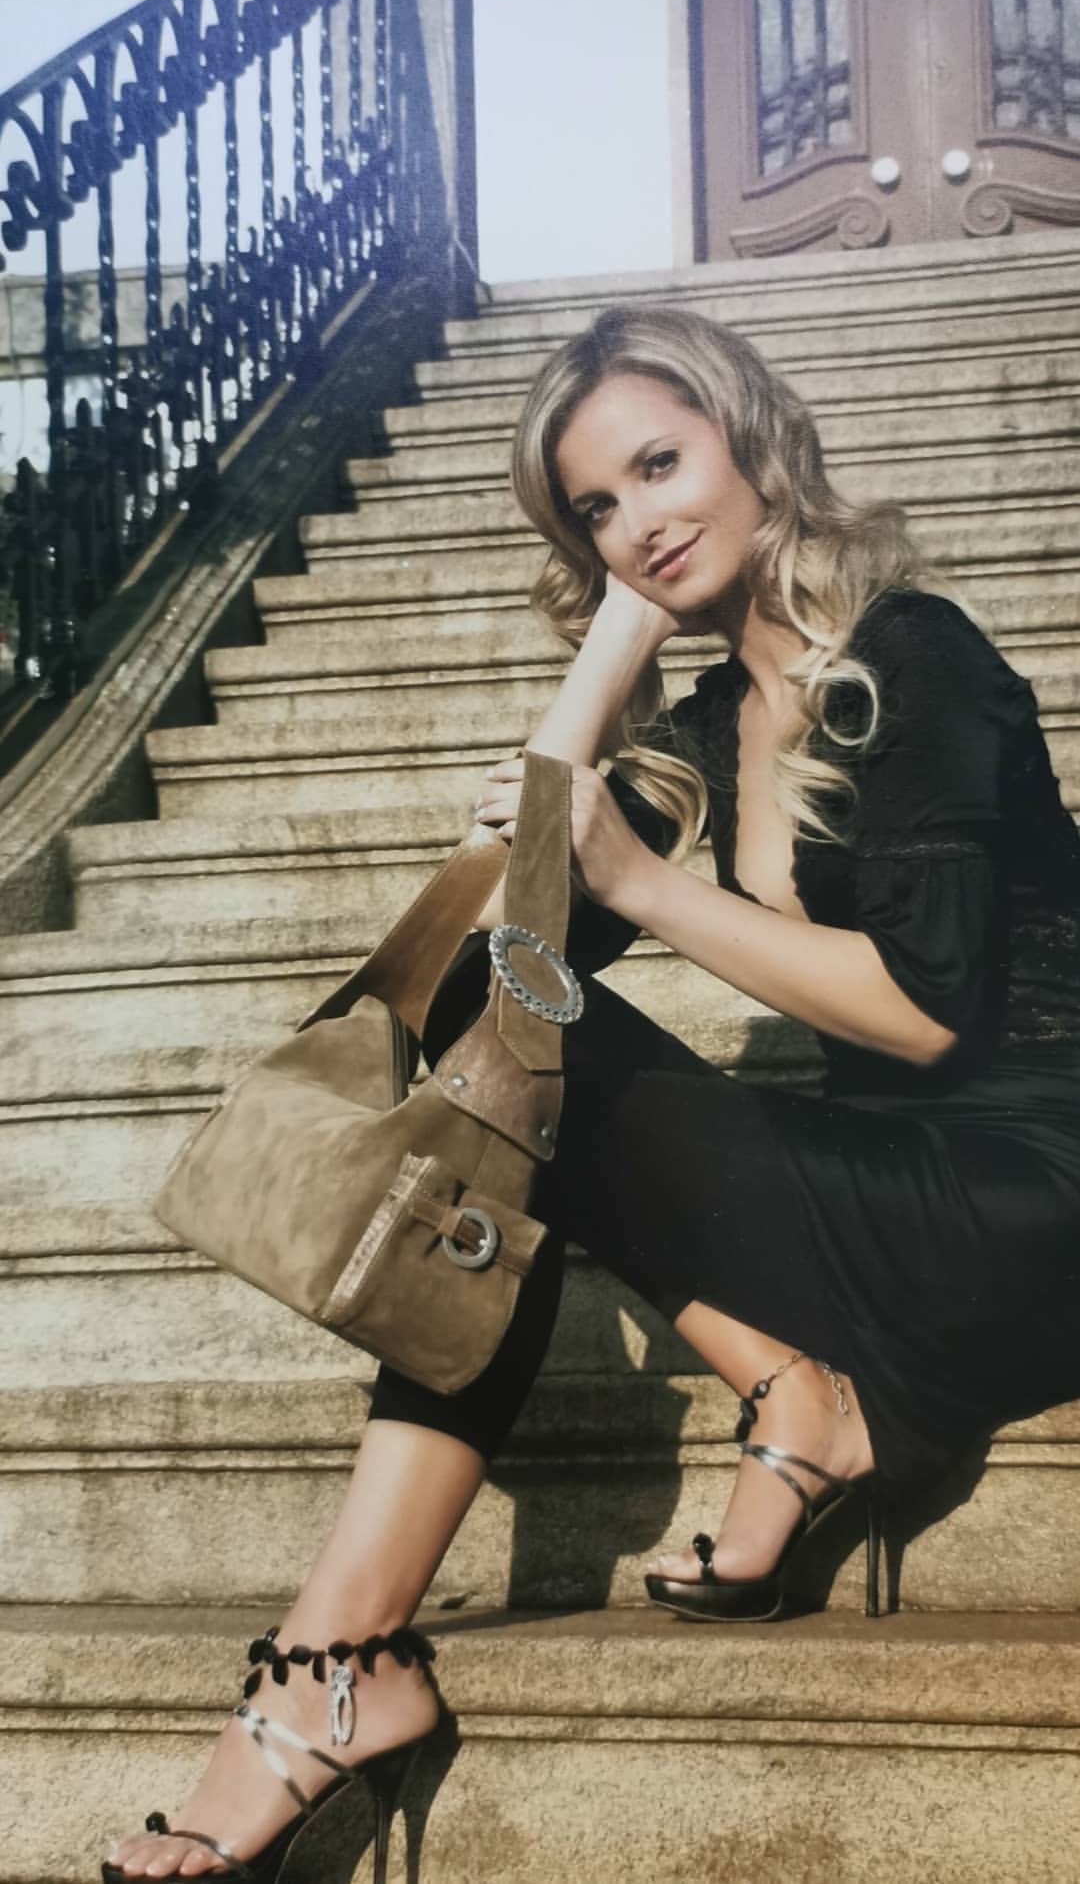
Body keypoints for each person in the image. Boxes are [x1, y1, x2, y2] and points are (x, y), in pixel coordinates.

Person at [105, 305, 1080, 1880]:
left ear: (753, 439)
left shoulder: (915, 656)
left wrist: (650, 883)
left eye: (661, 465)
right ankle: (368, 1636)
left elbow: (922, 1017)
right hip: (889, 1193)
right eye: (597, 509)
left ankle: (337, 1666)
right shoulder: (709, 725)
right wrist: (615, 642)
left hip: (1032, 1199)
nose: (642, 520)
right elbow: (490, 940)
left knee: (522, 1060)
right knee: (495, 1019)